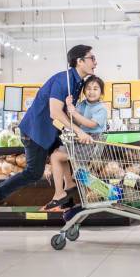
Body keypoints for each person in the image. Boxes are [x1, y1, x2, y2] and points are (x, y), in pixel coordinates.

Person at [0, 45, 98, 223]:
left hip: (50, 132)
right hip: (35, 132)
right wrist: (79, 132)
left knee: (63, 157)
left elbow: (67, 111)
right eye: (92, 58)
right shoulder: (63, 80)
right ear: (79, 61)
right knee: (33, 172)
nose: (95, 62)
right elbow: (55, 112)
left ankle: (69, 206)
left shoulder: (77, 82)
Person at [44, 75, 107, 210]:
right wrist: (69, 106)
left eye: (95, 88)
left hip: (91, 143)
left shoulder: (101, 108)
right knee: (60, 156)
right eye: (88, 88)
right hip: (80, 140)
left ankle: (60, 192)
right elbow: (75, 121)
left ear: (101, 92)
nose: (91, 91)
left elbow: (91, 124)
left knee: (57, 157)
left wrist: (75, 113)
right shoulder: (82, 104)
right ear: (84, 91)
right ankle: (70, 187)